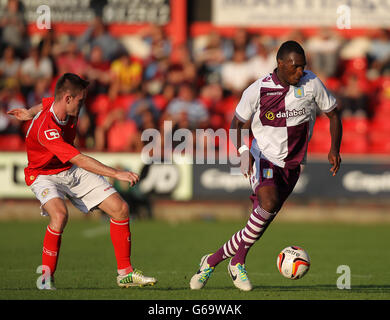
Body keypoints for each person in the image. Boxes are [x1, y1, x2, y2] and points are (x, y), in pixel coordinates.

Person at [190, 41, 342, 291]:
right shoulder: (257, 89)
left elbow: (334, 114)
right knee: (268, 203)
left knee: (258, 224)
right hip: (263, 158)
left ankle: (211, 261)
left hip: (292, 166)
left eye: (303, 67)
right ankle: (237, 263)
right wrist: (242, 152)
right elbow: (236, 125)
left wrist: (334, 148)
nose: (300, 72)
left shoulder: (311, 83)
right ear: (280, 64)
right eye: (295, 67)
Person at [7, 73, 157, 290]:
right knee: (59, 215)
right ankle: (46, 278)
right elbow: (79, 158)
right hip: (43, 174)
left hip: (68, 169)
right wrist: (117, 173)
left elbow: (47, 102)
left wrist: (30, 111)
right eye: (81, 101)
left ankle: (125, 274)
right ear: (68, 98)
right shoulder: (46, 129)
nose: (83, 105)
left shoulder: (59, 104)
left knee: (120, 208)